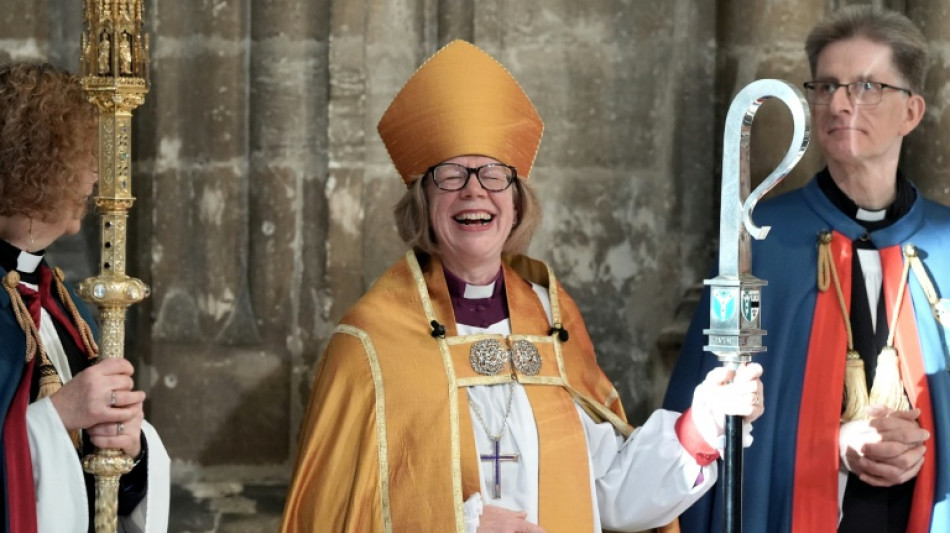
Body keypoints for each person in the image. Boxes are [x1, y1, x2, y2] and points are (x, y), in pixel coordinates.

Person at [280, 40, 764, 533]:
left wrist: (701, 426)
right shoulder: (369, 342)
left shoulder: (551, 321)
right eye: (450, 175)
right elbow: (336, 512)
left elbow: (610, 494)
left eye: (493, 174)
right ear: (423, 201)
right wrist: (461, 525)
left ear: (515, 202)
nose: (474, 190)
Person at [663, 5, 950, 533]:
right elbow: (708, 414)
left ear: (912, 112)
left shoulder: (947, 244)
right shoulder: (759, 239)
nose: (840, 103)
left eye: (866, 87)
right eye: (826, 87)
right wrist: (831, 445)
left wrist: (924, 441)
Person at [0, 62, 169, 532]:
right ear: (29, 165)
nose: (97, 174)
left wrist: (131, 449)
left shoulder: (56, 300)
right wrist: (58, 416)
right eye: (79, 154)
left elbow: (96, 484)